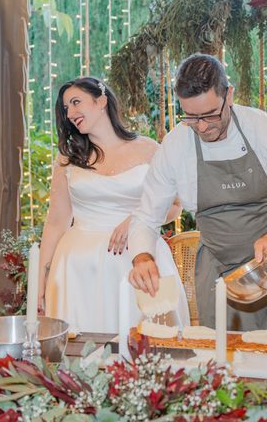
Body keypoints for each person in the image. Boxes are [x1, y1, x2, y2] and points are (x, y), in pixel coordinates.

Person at [127, 54, 267, 334]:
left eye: (209, 115)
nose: (203, 127)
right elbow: (146, 217)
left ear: (228, 95)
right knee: (222, 362)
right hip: (217, 272)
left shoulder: (266, 131)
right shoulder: (175, 146)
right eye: (191, 118)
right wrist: (142, 258)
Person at [39, 77, 189, 333]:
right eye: (66, 109)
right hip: (78, 267)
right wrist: (40, 282)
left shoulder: (148, 149)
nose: (71, 113)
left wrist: (137, 219)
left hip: (137, 259)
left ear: (101, 101)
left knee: (148, 345)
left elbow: (175, 206)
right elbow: (55, 222)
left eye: (76, 102)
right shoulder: (68, 158)